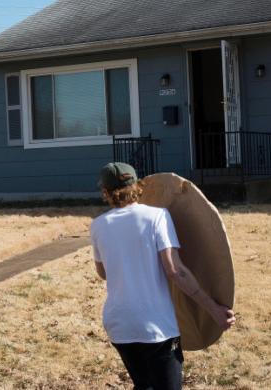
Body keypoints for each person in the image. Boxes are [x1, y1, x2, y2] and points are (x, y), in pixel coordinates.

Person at [90, 162, 235, 390]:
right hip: (155, 327)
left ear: (106, 192)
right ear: (138, 186)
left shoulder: (98, 225)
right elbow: (176, 271)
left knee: (144, 385)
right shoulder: (157, 216)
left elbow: (103, 273)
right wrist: (214, 309)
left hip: (119, 325)